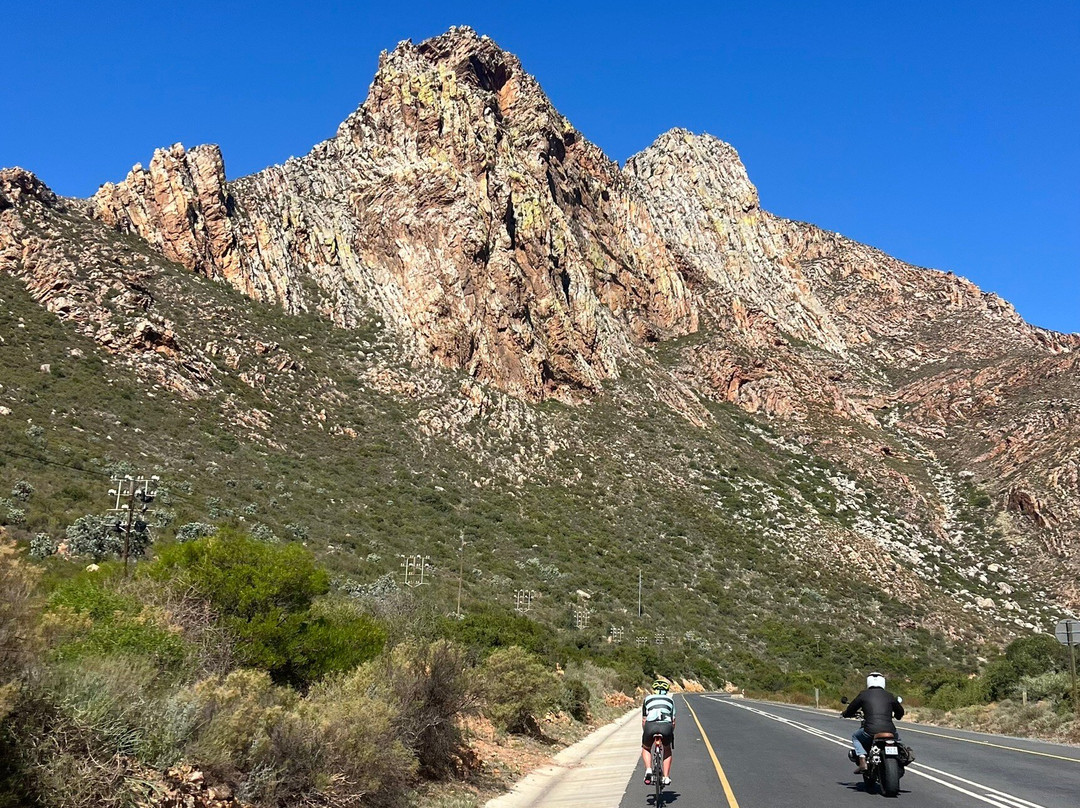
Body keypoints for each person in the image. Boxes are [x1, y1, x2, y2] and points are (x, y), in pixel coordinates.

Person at [842, 671, 904, 773]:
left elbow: (851, 709)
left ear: (868, 682)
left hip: (870, 730)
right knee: (898, 740)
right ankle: (901, 759)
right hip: (890, 731)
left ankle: (862, 759)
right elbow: (900, 712)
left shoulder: (863, 695)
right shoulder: (889, 695)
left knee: (856, 737)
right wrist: (897, 716)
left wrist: (845, 714)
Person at [640, 679, 676, 786]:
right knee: (667, 749)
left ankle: (648, 770)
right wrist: (670, 733)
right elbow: (673, 721)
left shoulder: (647, 699)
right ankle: (665, 777)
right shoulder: (670, 701)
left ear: (654, 690)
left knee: (646, 748)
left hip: (650, 726)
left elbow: (644, 720)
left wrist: (645, 732)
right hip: (666, 726)